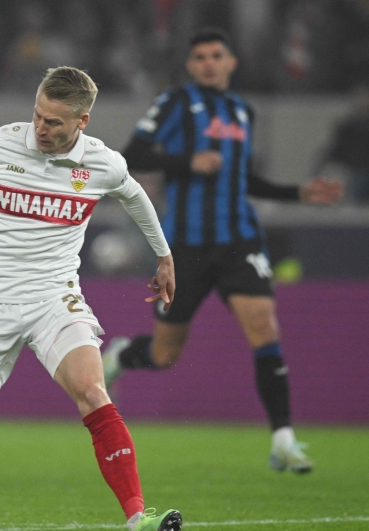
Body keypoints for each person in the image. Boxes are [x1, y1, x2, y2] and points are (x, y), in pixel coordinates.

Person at [0, 67, 182, 531]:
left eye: (54, 123)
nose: (40, 129)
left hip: (53, 295)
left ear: (81, 121)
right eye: (38, 116)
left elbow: (135, 196)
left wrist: (163, 256)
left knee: (92, 389)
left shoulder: (102, 164)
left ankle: (136, 517)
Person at [102, 28, 343, 474]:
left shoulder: (241, 111)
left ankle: (283, 439)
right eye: (200, 57)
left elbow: (243, 179)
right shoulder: (175, 103)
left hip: (240, 241)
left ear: (231, 62)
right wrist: (186, 162)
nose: (209, 62)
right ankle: (120, 356)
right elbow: (132, 153)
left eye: (217, 55)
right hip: (185, 248)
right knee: (164, 355)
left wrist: (298, 193)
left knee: (264, 326)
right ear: (192, 66)